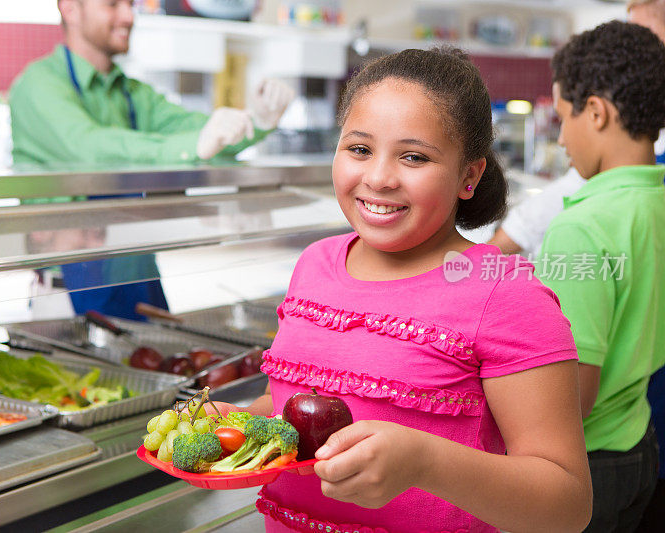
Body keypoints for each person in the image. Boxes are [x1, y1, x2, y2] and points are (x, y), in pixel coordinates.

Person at [209, 48, 592, 532]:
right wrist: (241, 425)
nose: (379, 178)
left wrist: (424, 462)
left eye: (414, 156)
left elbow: (568, 506)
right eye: (360, 149)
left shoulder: (506, 294)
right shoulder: (314, 264)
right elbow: (289, 405)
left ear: (469, 176)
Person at [9, 0, 294, 321]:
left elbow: (203, 134)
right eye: (113, 5)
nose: (129, 16)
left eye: (130, 4)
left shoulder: (134, 93)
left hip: (140, 281)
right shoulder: (37, 85)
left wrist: (258, 121)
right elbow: (89, 147)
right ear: (70, 9)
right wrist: (195, 145)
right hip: (67, 296)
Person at [536, 21, 665, 532]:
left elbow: (573, 398)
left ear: (596, 111)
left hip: (585, 465)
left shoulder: (583, 228)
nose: (562, 136)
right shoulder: (654, 203)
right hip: (639, 441)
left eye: (564, 116)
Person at [489, 0, 665, 258]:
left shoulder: (578, 230)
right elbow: (566, 191)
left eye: (648, 35)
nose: (638, 53)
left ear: (596, 113)